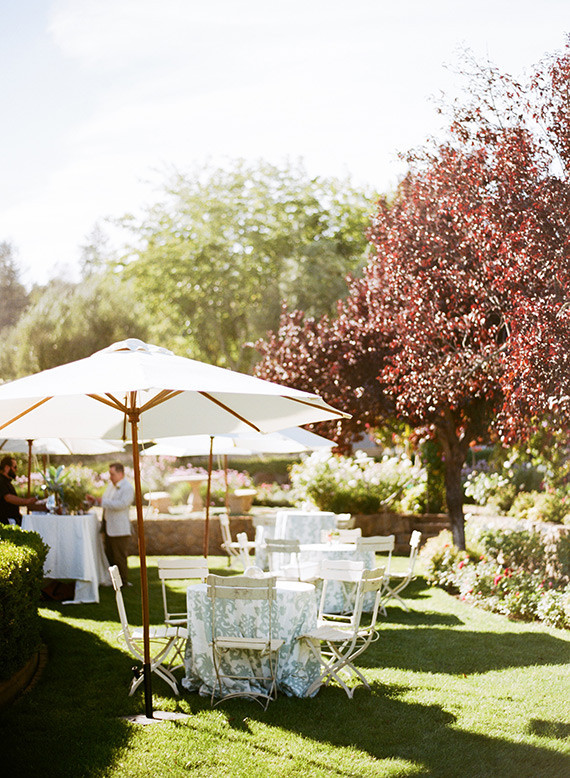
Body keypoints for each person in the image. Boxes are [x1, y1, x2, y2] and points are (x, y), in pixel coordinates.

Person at [89, 462, 134, 587]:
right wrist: (95, 501)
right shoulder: (110, 486)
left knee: (119, 556)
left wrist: (103, 501)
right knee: (109, 555)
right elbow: (106, 503)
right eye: (110, 474)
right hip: (108, 526)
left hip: (120, 528)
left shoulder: (128, 488)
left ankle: (123, 581)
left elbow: (122, 504)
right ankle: (113, 580)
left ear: (121, 474)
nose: (110, 477)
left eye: (112, 474)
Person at [0, 456, 46, 526]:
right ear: (7, 468)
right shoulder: (1, 481)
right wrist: (26, 501)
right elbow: (8, 497)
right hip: (6, 520)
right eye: (14, 467)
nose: (16, 469)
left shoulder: (7, 482)